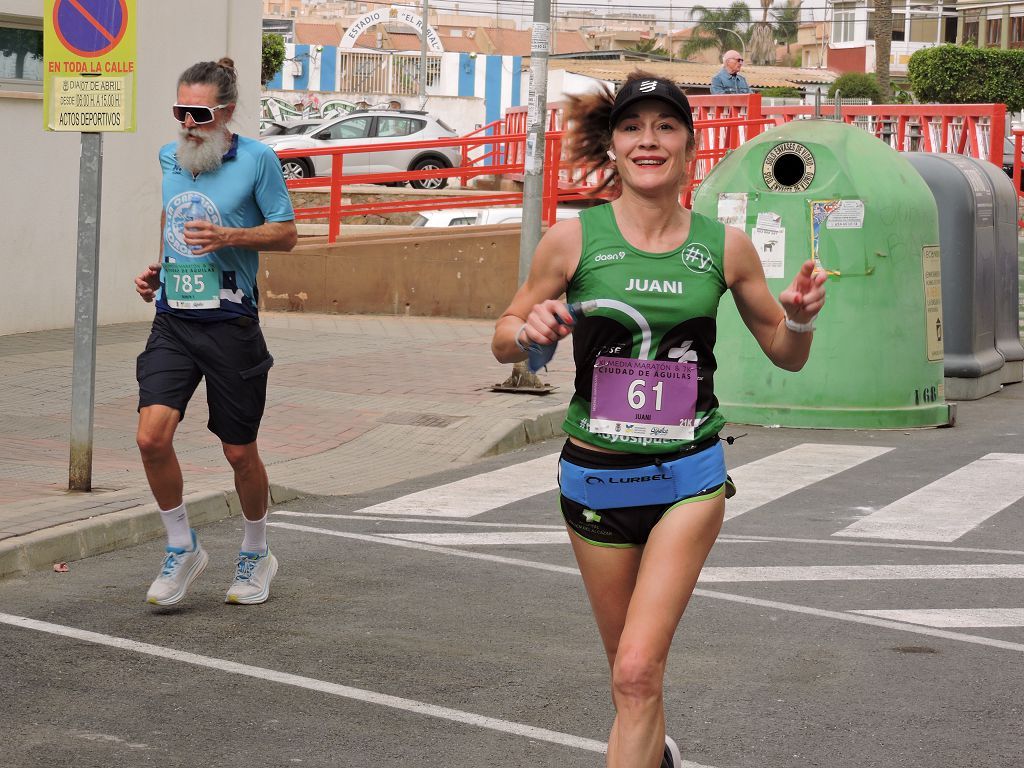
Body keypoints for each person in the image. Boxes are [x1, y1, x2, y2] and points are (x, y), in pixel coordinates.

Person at [491, 72, 825, 768]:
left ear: (689, 146)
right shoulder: (572, 238)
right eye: (632, 127)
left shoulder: (724, 246)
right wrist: (530, 330)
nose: (649, 140)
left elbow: (786, 355)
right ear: (613, 146)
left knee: (638, 671)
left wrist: (797, 317)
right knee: (629, 679)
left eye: (665, 126)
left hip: (685, 479)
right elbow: (502, 334)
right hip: (594, 481)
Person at [134, 58, 298, 607]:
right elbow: (170, 215)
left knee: (238, 452)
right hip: (174, 319)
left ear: (225, 112)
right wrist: (158, 267)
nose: (186, 122)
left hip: (231, 323)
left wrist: (231, 234)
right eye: (179, 110)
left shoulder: (258, 160)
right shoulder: (170, 156)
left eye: (198, 113)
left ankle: (256, 551)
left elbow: (287, 233)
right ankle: (182, 547)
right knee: (150, 437)